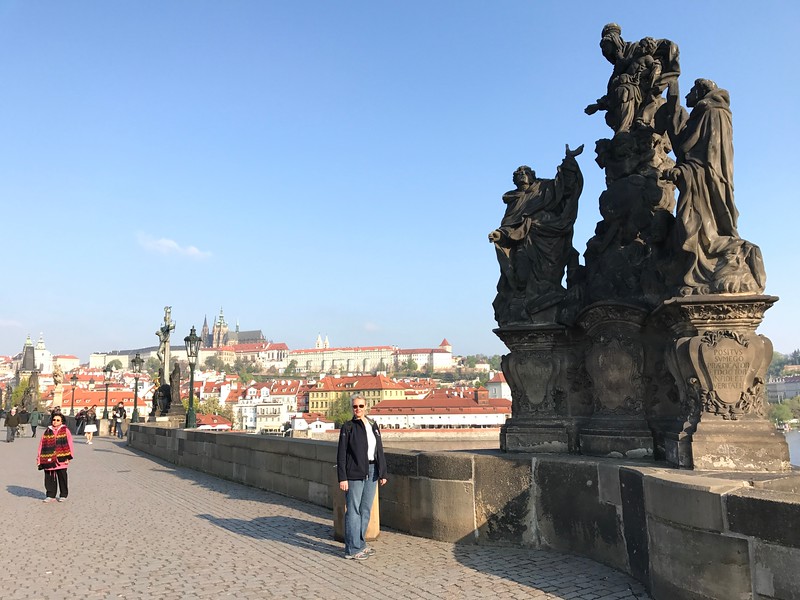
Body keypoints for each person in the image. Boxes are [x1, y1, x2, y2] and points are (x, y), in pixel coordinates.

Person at [663, 78, 765, 295]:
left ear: (700, 92)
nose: (689, 95)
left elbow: (693, 148)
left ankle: (705, 266)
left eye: (692, 91)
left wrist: (684, 170)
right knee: (688, 224)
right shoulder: (714, 111)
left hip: (704, 178)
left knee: (692, 223)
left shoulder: (710, 111)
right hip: (707, 175)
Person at [489, 145, 584, 325]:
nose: (522, 174)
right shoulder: (513, 199)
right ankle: (521, 301)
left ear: (532, 175)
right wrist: (499, 234)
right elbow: (509, 225)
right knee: (521, 271)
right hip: (524, 243)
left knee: (548, 273)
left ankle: (541, 301)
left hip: (549, 237)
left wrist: (569, 161)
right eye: (518, 173)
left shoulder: (544, 188)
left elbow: (565, 186)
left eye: (525, 172)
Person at [336, 393, 387, 560]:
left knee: (365, 510)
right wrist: (342, 477)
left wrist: (383, 472)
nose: (357, 409)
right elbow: (341, 454)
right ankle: (351, 549)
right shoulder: (348, 427)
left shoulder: (373, 424)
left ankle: (361, 543)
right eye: (355, 406)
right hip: (354, 473)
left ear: (366, 407)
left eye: (360, 406)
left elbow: (379, 449)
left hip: (372, 471)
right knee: (353, 511)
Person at [36, 414, 74, 502]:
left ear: (61, 421)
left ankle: (63, 494)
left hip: (61, 457)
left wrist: (69, 457)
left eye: (58, 420)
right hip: (48, 457)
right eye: (54, 420)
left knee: (62, 477)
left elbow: (70, 444)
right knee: (49, 477)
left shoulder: (66, 431)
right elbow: (41, 445)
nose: (55, 422)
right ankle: (50, 495)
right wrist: (39, 458)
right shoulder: (47, 431)